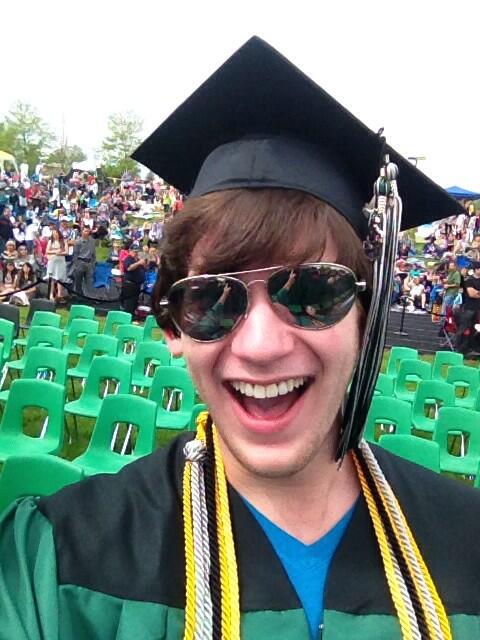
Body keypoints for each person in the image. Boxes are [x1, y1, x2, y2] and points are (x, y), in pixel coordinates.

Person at [0, 37, 479, 640]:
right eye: (211, 300)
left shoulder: (469, 547)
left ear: (367, 314)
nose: (260, 345)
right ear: (173, 327)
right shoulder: (57, 565)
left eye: (311, 291)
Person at [120, 242, 147, 314]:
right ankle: (127, 316)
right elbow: (129, 268)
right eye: (134, 252)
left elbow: (145, 269)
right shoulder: (128, 259)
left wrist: (144, 264)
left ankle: (133, 315)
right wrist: (138, 263)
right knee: (129, 304)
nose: (136, 253)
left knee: (134, 303)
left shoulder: (137, 259)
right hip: (129, 285)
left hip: (137, 286)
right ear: (130, 251)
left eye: (137, 252)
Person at [72, 226, 96, 295]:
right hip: (80, 261)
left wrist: (93, 263)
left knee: (89, 281)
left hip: (89, 263)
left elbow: (93, 253)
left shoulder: (92, 241)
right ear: (82, 232)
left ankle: (88, 295)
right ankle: (78, 294)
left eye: (88, 231)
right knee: (78, 281)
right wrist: (76, 264)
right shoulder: (78, 241)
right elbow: (75, 254)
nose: (86, 233)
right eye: (85, 231)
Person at [46, 228, 67, 302]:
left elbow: (66, 252)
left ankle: (59, 294)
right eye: (53, 234)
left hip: (61, 262)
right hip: (52, 261)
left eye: (56, 233)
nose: (55, 235)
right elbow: (47, 251)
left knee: (59, 278)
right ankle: (51, 294)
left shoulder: (63, 241)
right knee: (52, 278)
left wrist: (60, 253)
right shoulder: (50, 242)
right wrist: (55, 252)